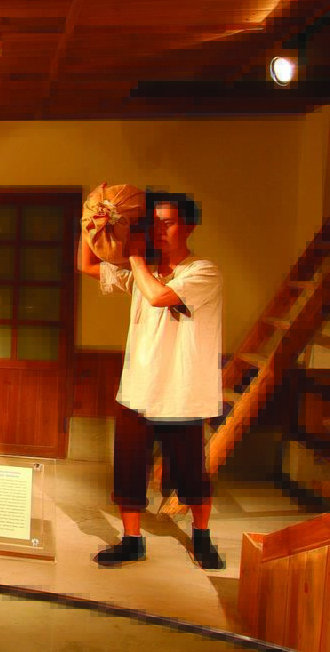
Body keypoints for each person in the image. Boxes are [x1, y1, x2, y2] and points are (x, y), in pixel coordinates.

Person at [78, 194, 225, 570]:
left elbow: (159, 297)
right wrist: (90, 225)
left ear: (189, 227)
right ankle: (131, 541)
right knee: (128, 470)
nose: (159, 230)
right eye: (154, 223)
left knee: (191, 472)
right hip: (138, 387)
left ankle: (202, 537)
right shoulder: (142, 270)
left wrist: (135, 257)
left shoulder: (203, 271)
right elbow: (86, 264)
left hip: (181, 391)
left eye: (168, 223)